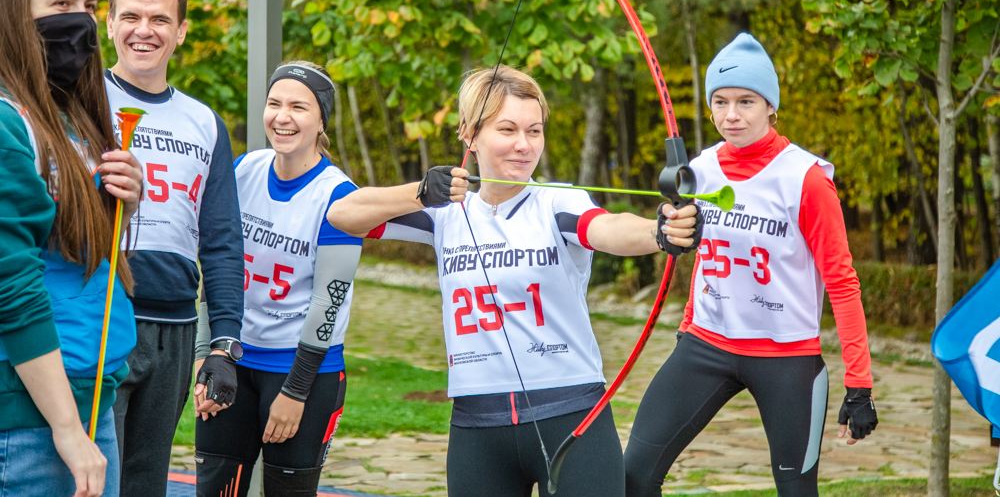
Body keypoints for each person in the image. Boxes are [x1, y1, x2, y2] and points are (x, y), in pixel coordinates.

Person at [326, 65, 701, 497]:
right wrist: (420, 191)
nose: (524, 145)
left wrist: (659, 232)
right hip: (477, 426)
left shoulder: (559, 202)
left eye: (534, 130)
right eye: (507, 129)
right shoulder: (444, 212)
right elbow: (343, 215)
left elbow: (607, 228)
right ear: (469, 134)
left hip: (572, 415)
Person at [623, 33, 879, 497]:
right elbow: (701, 256)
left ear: (770, 106)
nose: (731, 115)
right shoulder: (699, 170)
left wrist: (858, 384)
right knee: (634, 475)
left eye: (746, 101)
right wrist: (686, 315)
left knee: (796, 491)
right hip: (706, 347)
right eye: (719, 102)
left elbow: (842, 282)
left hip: (787, 360)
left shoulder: (805, 178)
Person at [0, 0, 143, 497]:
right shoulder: (11, 122)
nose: (79, 24)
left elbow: (76, 256)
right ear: (14, 9)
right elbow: (12, 280)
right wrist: (65, 427)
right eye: (60, 6)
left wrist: (120, 206)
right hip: (31, 416)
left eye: (88, 8)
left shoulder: (70, 117)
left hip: (87, 395)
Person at [104, 0, 245, 496]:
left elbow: (222, 242)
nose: (145, 30)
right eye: (132, 16)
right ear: (110, 24)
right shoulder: (80, 101)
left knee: (147, 481)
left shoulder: (205, 122)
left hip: (176, 327)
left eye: (160, 19)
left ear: (181, 31)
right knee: (96, 476)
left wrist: (223, 343)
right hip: (104, 315)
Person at [192, 61, 361, 497]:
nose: (282, 117)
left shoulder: (339, 195)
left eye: (299, 107)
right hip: (233, 361)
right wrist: (206, 353)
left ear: (321, 119)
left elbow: (329, 304)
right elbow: (218, 264)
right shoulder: (246, 168)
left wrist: (295, 390)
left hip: (301, 371)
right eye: (274, 104)